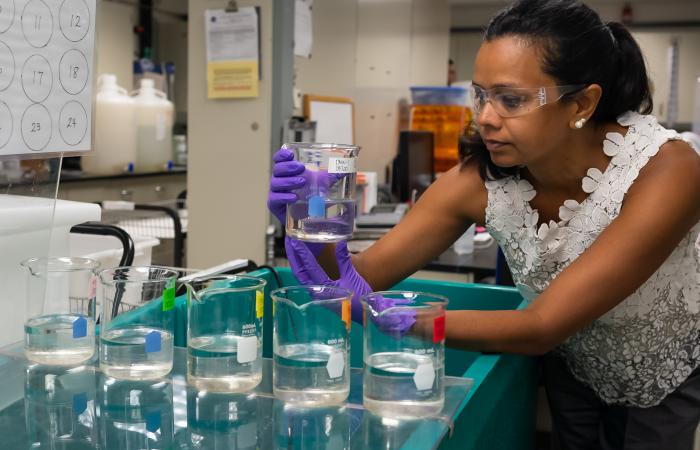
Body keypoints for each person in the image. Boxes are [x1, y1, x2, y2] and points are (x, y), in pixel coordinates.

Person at [267, 0, 700, 448]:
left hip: (659, 368)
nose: (486, 118)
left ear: (583, 102)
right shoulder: (482, 180)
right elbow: (358, 279)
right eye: (481, 94)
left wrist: (398, 317)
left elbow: (541, 326)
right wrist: (309, 223)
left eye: (510, 99)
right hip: (573, 365)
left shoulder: (668, 170)